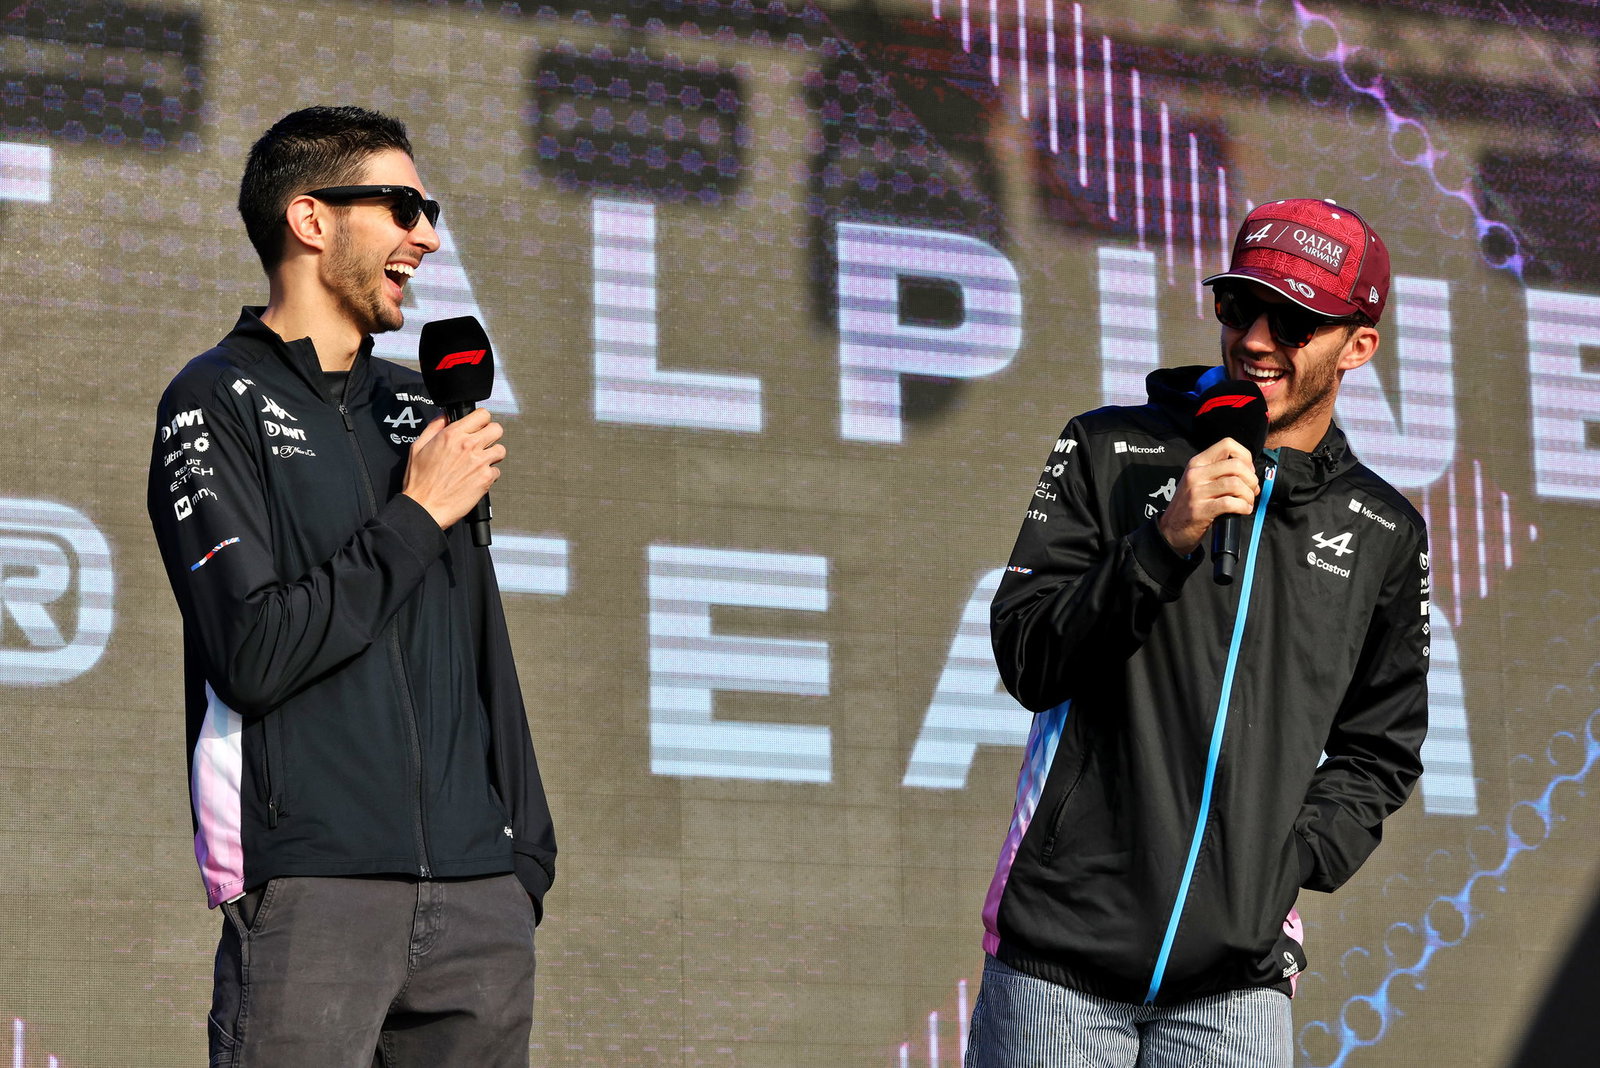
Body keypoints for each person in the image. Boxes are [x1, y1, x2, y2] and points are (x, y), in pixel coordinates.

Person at [966, 198, 1429, 1066]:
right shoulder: (1109, 451)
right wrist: (1160, 542)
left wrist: (1280, 863)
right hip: (1061, 959)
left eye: (1291, 321)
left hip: (1238, 979)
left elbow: (1381, 747)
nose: (1254, 339)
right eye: (1237, 306)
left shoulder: (1382, 531)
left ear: (1357, 345)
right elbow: (1027, 654)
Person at [146, 105, 556, 1066]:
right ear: (311, 219)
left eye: (431, 208)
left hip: (479, 901)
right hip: (313, 892)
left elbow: (479, 644)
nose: (429, 233)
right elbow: (252, 652)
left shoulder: (424, 407)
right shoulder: (212, 400)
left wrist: (520, 860)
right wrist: (416, 514)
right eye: (404, 205)